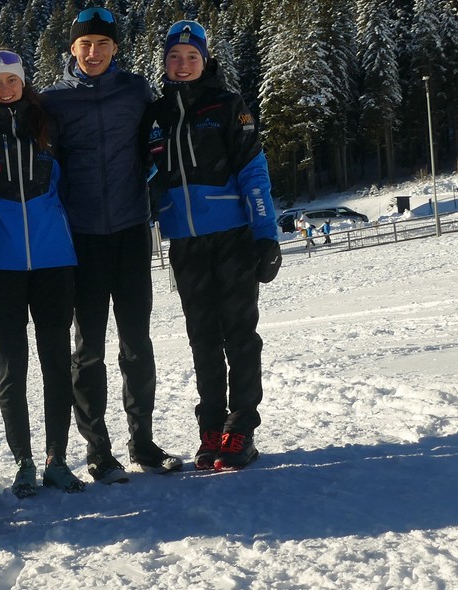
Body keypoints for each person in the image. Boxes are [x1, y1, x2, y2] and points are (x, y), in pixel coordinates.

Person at [42, 6, 182, 482]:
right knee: (89, 349)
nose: (95, 52)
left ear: (116, 49)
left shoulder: (136, 92)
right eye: (86, 45)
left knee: (137, 343)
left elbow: (157, 144)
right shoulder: (54, 102)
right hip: (81, 238)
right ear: (73, 50)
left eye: (104, 44)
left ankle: (142, 443)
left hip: (129, 230)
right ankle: (98, 450)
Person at [144, 21, 281, 471]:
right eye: (174, 57)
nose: (182, 64)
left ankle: (241, 428)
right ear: (164, 63)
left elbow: (253, 172)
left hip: (232, 238)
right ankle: (211, 427)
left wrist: (265, 235)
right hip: (184, 242)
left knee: (238, 334)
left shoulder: (227, 105)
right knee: (202, 337)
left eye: (191, 56)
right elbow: (146, 174)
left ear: (204, 60)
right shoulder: (156, 115)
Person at [0, 49, 85, 496]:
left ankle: (56, 456)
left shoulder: (46, 124)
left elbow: (73, 183)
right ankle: (23, 460)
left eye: (12, 80)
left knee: (56, 362)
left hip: (54, 261)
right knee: (11, 365)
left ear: (22, 82)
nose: (6, 88)